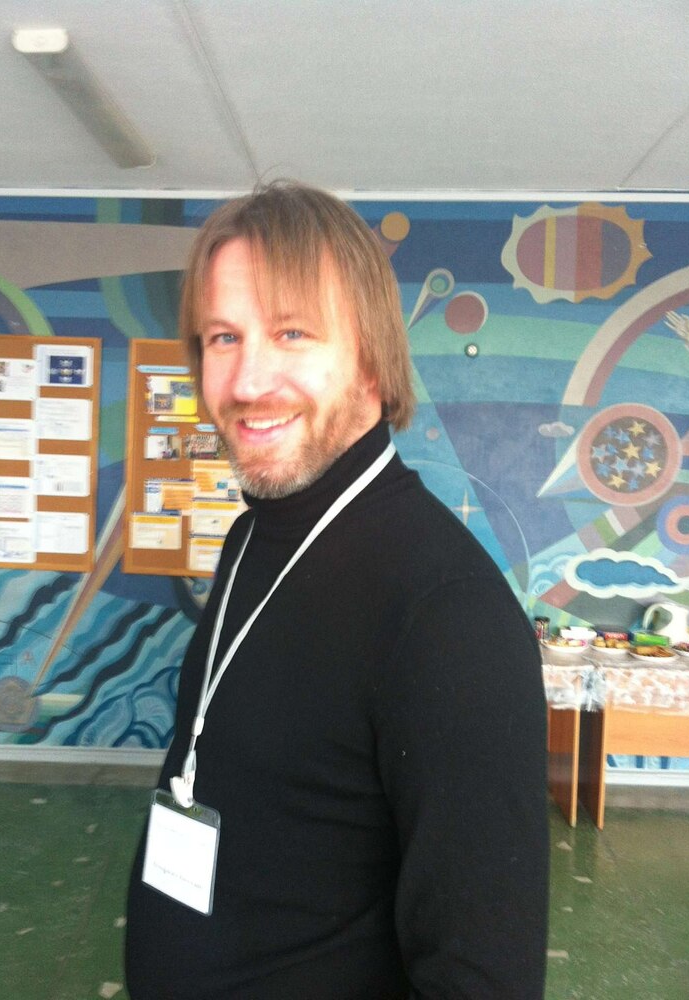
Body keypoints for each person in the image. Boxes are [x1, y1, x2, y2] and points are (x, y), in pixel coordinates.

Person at [125, 181, 549, 999]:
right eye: (223, 337)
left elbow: (480, 977)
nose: (247, 380)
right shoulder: (254, 533)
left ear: (371, 359)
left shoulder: (446, 616)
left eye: (291, 332)